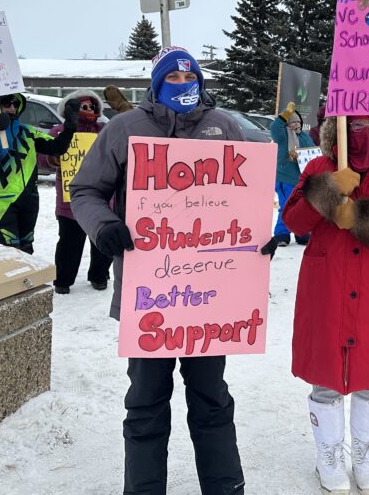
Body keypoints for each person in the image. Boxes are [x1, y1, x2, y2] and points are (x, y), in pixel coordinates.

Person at [69, 46, 254, 495]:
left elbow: (250, 193)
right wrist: (105, 226)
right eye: (173, 78)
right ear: (157, 84)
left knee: (212, 401)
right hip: (149, 294)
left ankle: (225, 488)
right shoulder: (124, 129)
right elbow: (85, 190)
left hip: (209, 300)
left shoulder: (224, 126)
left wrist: (256, 236)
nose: (183, 84)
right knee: (147, 403)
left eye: (190, 77)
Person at [282, 87, 369, 495]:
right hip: (327, 288)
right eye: (354, 125)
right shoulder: (319, 167)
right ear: (337, 129)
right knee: (326, 377)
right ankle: (328, 455)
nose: (363, 132)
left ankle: (365, 453)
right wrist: (327, 190)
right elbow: (293, 220)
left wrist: (361, 216)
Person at [0, 92, 78, 253]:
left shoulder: (28, 132)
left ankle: (28, 278)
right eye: (7, 104)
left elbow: (57, 148)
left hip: (29, 200)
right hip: (2, 203)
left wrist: (69, 126)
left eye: (16, 105)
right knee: (10, 252)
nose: (12, 108)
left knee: (27, 250)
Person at [37, 90, 112, 294]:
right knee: (69, 242)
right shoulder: (60, 132)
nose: (89, 110)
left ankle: (99, 275)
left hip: (103, 196)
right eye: (83, 106)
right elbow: (42, 157)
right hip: (70, 200)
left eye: (92, 106)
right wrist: (55, 158)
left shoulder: (105, 130)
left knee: (102, 240)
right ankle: (63, 279)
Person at [271, 101, 316, 246]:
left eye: (298, 122)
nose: (295, 124)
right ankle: (282, 234)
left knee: (300, 208)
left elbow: (313, 152)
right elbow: (275, 127)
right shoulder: (282, 135)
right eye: (292, 122)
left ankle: (301, 233)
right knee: (286, 206)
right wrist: (286, 114)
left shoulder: (304, 136)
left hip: (302, 180)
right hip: (285, 178)